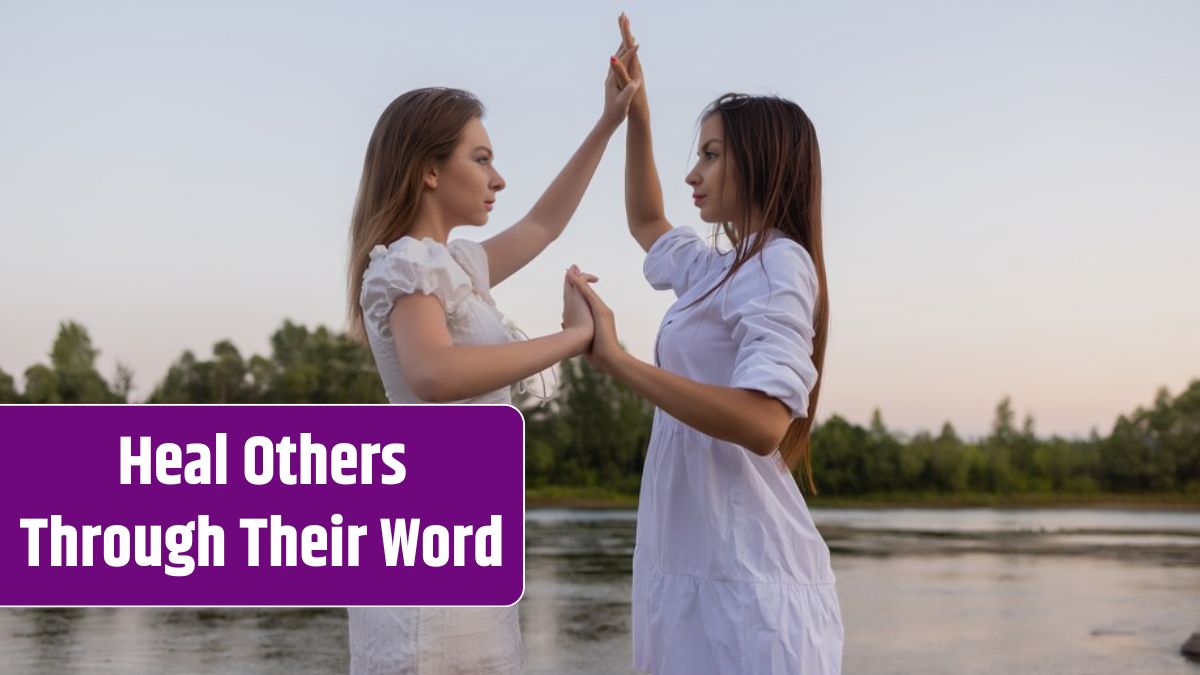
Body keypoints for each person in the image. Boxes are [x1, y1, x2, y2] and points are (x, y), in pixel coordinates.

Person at [344, 51, 640, 674]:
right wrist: (577, 338)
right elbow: (434, 374)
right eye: (481, 159)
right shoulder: (408, 264)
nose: (497, 179)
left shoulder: (457, 267)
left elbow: (543, 223)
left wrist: (609, 121)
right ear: (428, 170)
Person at [564, 15, 844, 674]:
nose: (695, 172)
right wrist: (636, 109)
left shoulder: (779, 264)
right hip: (689, 567)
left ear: (763, 159)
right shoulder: (716, 266)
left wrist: (620, 362)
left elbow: (763, 422)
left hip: (747, 586)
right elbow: (646, 220)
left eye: (712, 154)